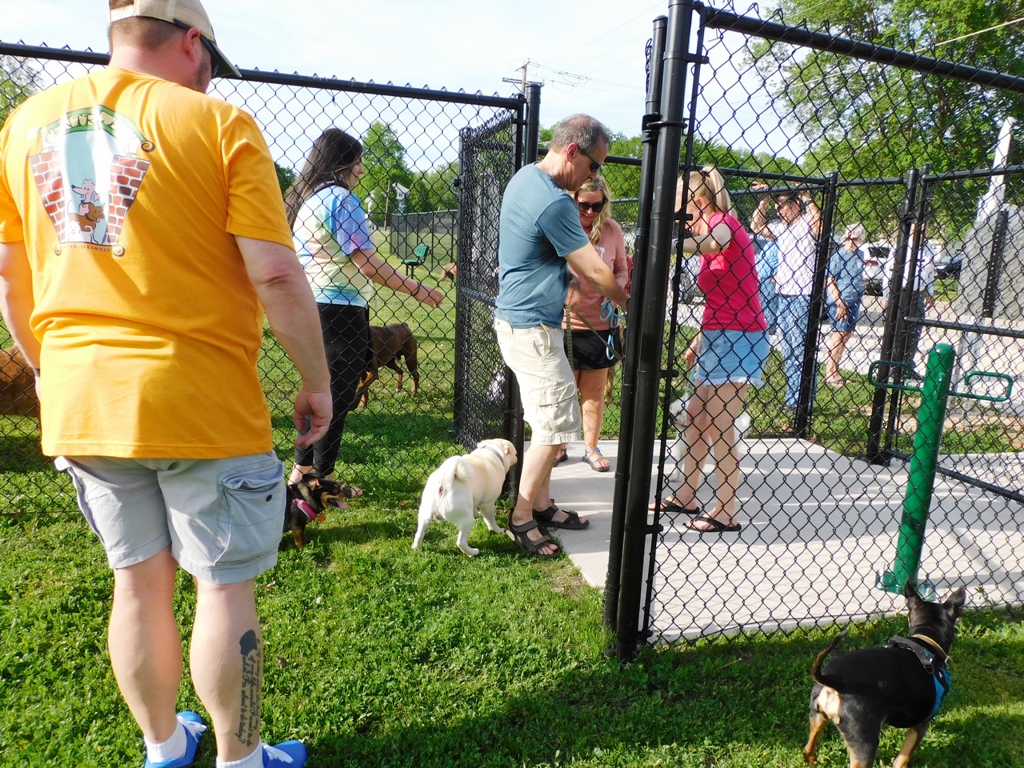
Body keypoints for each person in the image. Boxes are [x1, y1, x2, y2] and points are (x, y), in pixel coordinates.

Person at [0, 2, 331, 767]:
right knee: (223, 590)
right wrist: (317, 382)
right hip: (199, 398)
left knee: (137, 586)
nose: (210, 76)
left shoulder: (25, 124)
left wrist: (49, 369)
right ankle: (242, 759)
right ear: (191, 43)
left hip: (85, 402)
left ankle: (163, 746)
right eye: (211, 61)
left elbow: (11, 277)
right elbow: (278, 275)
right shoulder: (218, 123)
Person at [494, 114, 629, 558]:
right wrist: (627, 302)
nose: (595, 175)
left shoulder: (525, 178)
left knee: (547, 423)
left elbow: (546, 257)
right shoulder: (554, 201)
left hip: (522, 321)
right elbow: (595, 270)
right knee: (554, 428)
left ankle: (543, 504)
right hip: (532, 328)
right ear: (572, 151)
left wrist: (562, 279)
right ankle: (521, 518)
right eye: (594, 165)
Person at [285, 128, 443, 486]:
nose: (360, 170)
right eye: (356, 162)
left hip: (311, 307)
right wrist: (417, 289)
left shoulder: (308, 200)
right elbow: (368, 264)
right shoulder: (342, 200)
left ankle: (301, 475)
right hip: (340, 311)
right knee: (337, 398)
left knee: (320, 392)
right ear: (339, 163)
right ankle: (319, 481)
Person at [653, 167, 769, 533]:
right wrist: (700, 338)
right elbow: (722, 295)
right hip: (717, 336)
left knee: (720, 426)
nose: (679, 218)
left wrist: (668, 244)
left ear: (700, 202)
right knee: (696, 418)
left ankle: (726, 510)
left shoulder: (723, 223)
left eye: (681, 209)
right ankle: (687, 494)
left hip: (741, 338)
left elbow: (717, 240)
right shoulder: (707, 235)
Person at [554, 176, 628, 472]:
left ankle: (591, 447)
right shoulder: (562, 226)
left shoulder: (612, 230)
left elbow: (621, 269)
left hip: (600, 325)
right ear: (572, 200)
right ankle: (559, 446)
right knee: (564, 391)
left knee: (594, 392)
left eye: (597, 206)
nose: (589, 212)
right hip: (564, 323)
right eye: (584, 205)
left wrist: (615, 292)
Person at [750, 184, 822, 413]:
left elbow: (819, 225)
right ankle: (793, 398)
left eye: (782, 205)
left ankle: (803, 401)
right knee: (788, 349)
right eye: (777, 206)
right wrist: (765, 198)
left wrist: (805, 194)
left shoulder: (806, 224)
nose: (778, 210)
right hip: (783, 294)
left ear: (796, 205)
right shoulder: (782, 229)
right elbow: (756, 226)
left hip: (803, 295)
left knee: (801, 349)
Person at [881, 223, 936, 380]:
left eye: (923, 229)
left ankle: (907, 366)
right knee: (898, 330)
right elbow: (888, 273)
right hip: (900, 293)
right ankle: (893, 366)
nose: (919, 232)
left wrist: (930, 292)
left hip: (917, 294)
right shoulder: (901, 247)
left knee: (914, 330)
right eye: (916, 229)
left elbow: (930, 272)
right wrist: (886, 296)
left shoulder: (929, 248)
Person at [824, 224, 866, 386]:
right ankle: (830, 373)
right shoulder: (838, 255)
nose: (850, 241)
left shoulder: (860, 254)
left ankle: (835, 370)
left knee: (846, 335)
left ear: (859, 239)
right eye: (848, 238)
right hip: (840, 300)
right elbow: (830, 280)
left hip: (855, 299)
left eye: (854, 239)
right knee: (839, 334)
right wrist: (840, 303)